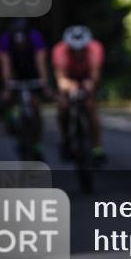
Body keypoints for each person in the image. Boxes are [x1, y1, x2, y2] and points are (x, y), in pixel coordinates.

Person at [52, 25, 105, 164]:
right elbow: (61, 78)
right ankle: (66, 140)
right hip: (69, 81)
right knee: (63, 108)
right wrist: (69, 87)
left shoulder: (95, 48)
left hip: (87, 80)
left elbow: (95, 75)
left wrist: (90, 85)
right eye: (74, 50)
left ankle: (97, 147)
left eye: (81, 50)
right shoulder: (59, 50)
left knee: (91, 108)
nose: (78, 53)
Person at [0, 19, 51, 137]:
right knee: (5, 98)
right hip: (14, 73)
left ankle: (36, 142)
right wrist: (7, 85)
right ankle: (7, 118)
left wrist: (44, 82)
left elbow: (40, 61)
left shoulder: (34, 36)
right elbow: (5, 64)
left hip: (32, 72)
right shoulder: (7, 37)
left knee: (35, 106)